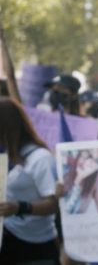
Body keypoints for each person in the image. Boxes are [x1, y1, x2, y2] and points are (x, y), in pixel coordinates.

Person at [0, 97, 59, 264]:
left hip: (36, 246)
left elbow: (54, 203)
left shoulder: (40, 159)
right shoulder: (5, 156)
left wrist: (20, 207)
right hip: (8, 241)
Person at [62, 148, 98, 214]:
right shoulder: (65, 173)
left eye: (94, 161)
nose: (85, 162)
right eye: (85, 154)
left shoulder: (97, 190)